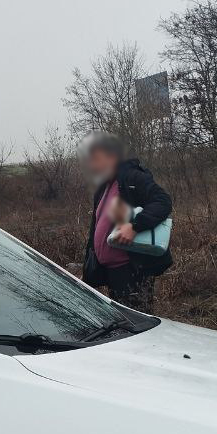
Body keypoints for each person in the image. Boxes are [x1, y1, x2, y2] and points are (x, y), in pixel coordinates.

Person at [81, 132, 173, 311]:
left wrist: (135, 226)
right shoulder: (103, 187)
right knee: (123, 323)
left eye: (96, 159)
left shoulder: (132, 177)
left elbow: (162, 201)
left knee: (138, 323)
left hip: (132, 270)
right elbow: (96, 227)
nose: (93, 165)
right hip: (111, 273)